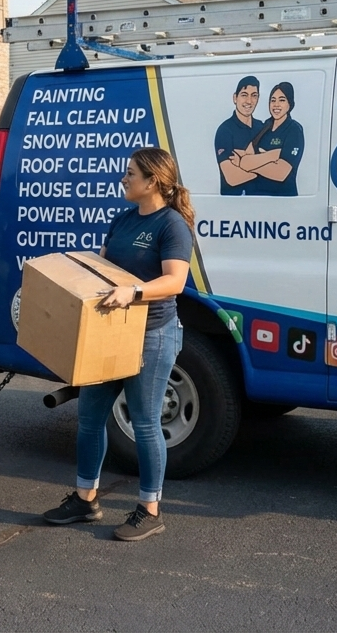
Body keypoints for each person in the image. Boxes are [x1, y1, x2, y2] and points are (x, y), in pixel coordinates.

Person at [43, 147, 194, 541]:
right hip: (111, 334)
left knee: (144, 423)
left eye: (131, 173)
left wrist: (134, 292)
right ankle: (85, 500)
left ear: (153, 181)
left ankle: (150, 510)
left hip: (153, 335)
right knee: (90, 417)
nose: (124, 179)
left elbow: (175, 282)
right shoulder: (123, 220)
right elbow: (103, 270)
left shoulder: (171, 225)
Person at [233, 82, 304, 196]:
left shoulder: (294, 130)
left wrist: (251, 164)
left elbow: (281, 173)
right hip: (255, 198)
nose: (276, 105)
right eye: (273, 100)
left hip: (282, 199)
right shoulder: (264, 126)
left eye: (282, 100)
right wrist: (270, 157)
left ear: (290, 104)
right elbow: (246, 157)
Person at [215, 76, 263, 195]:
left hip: (261, 201)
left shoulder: (262, 128)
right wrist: (263, 167)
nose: (249, 101)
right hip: (233, 203)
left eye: (254, 95)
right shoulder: (225, 131)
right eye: (244, 95)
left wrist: (242, 163)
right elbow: (232, 178)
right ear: (235, 98)